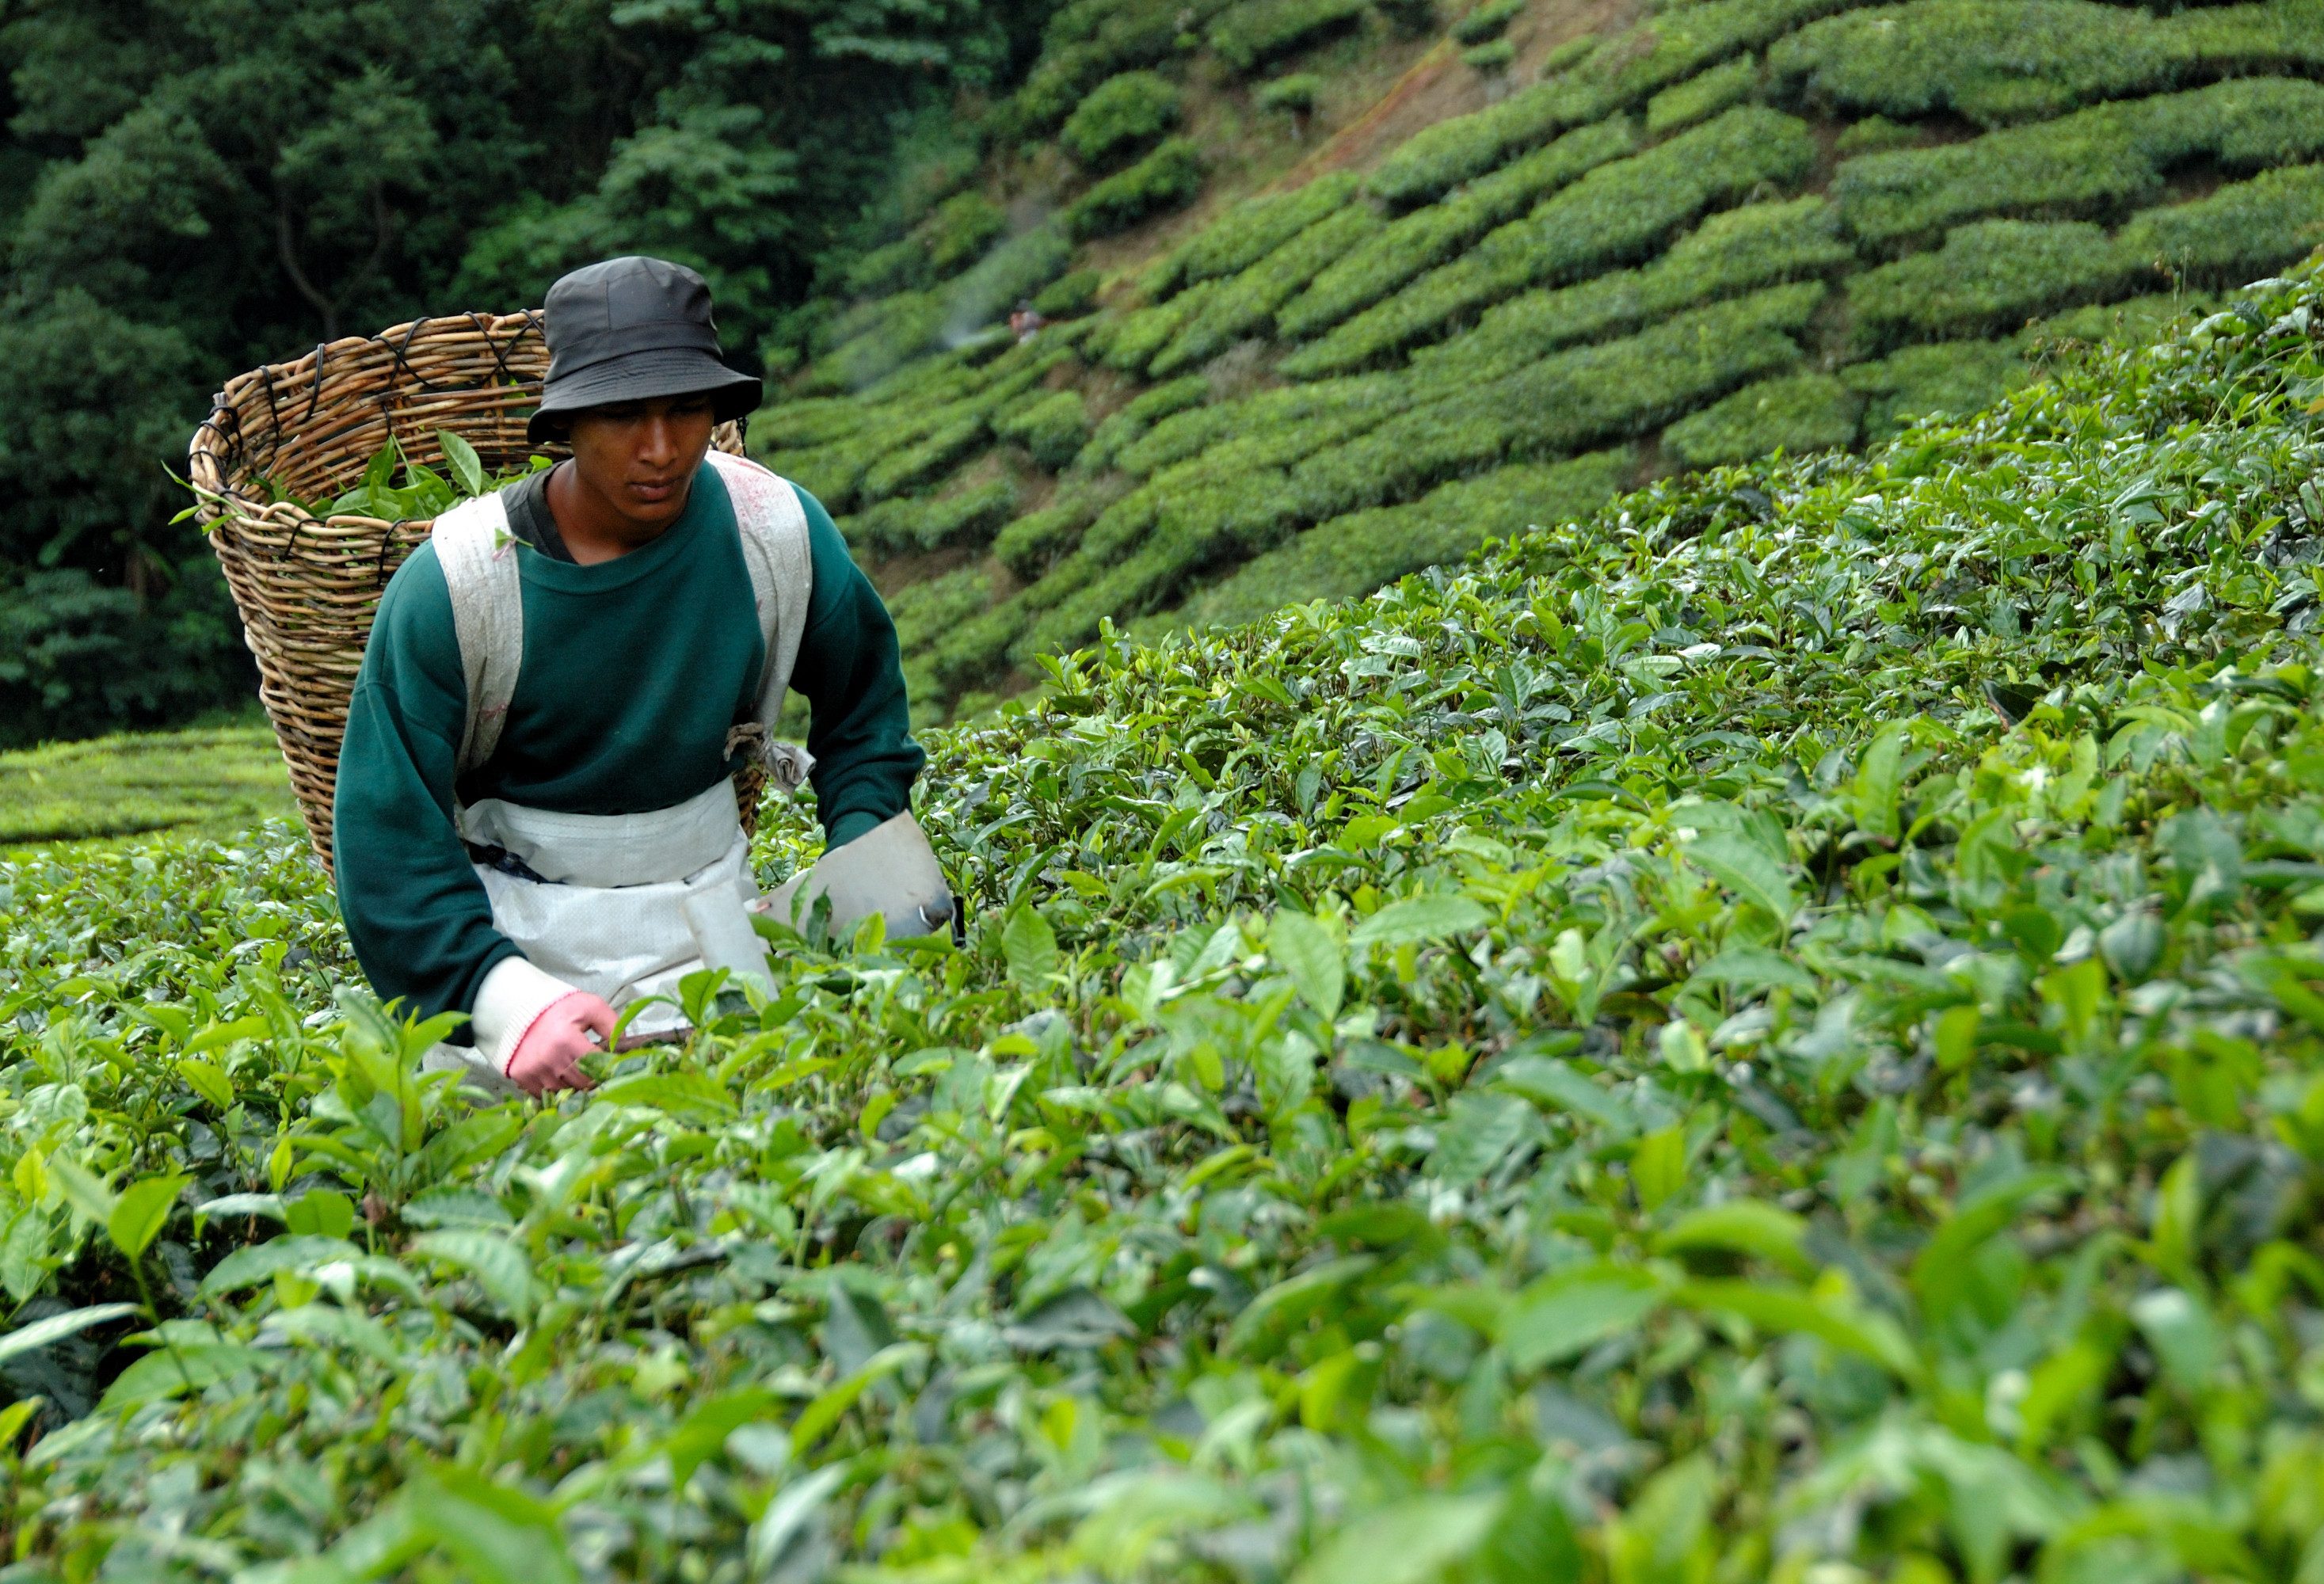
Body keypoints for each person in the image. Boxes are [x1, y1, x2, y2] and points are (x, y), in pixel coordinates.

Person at [333, 255, 940, 1098]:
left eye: (686, 408)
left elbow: (867, 709)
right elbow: (386, 839)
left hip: (718, 938)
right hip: (517, 961)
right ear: (568, 422)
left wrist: (864, 876)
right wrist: (500, 1000)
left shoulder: (774, 531)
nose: (659, 449)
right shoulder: (462, 585)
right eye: (622, 414)